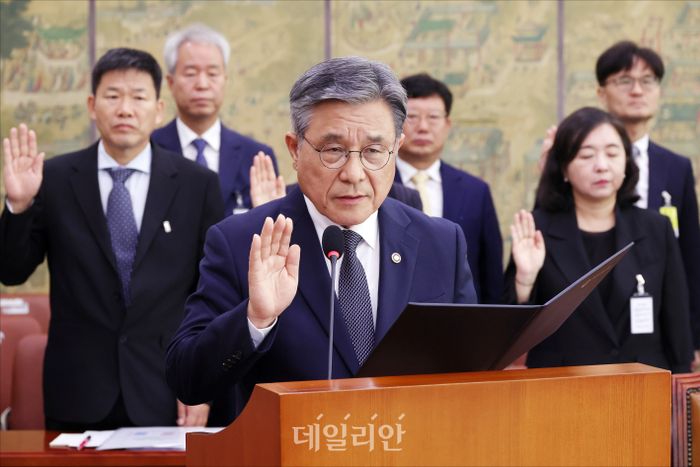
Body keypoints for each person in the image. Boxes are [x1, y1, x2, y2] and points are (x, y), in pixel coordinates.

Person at [166, 56, 477, 426]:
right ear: (295, 150)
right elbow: (188, 380)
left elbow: (470, 371)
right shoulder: (243, 241)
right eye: (333, 151)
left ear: (397, 148)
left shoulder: (440, 243)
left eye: (374, 151)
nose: (354, 173)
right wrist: (255, 319)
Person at [0, 48, 224, 430]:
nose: (125, 110)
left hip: (168, 389)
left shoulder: (196, 184)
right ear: (92, 105)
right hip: (77, 393)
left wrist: (201, 382)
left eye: (138, 97)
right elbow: (11, 270)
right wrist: (18, 206)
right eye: (113, 96)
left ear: (158, 109)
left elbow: (212, 293)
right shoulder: (55, 178)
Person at [540, 41, 700, 359]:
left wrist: (692, 341)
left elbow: (689, 257)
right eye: (625, 80)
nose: (637, 90)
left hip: (649, 334)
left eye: (647, 80)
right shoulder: (568, 154)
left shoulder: (676, 167)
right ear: (601, 92)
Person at [507, 107, 693, 373]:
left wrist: (680, 380)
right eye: (586, 155)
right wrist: (525, 281)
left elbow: (676, 319)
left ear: (626, 162)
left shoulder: (655, 228)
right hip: (562, 384)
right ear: (563, 168)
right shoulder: (537, 230)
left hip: (642, 383)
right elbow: (512, 337)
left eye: (612, 153)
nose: (602, 165)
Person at [395, 73, 503, 303]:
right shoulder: (375, 186)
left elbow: (490, 275)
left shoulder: (476, 192)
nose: (423, 127)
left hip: (458, 314)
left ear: (448, 124)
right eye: (412, 117)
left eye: (433, 117)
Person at [151, 23, 277, 215]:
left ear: (225, 80)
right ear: (170, 82)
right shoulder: (149, 149)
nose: (202, 84)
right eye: (190, 73)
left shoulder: (256, 157)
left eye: (212, 74)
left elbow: (270, 222)